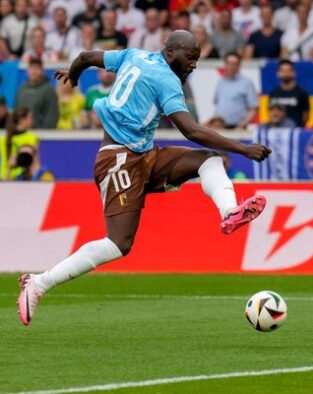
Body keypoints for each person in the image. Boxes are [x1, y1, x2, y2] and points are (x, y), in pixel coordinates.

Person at [17, 30, 272, 326]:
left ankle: (230, 211)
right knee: (118, 243)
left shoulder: (133, 55)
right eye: (190, 58)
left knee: (208, 160)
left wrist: (73, 76)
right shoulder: (166, 80)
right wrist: (243, 148)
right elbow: (192, 131)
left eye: (197, 60)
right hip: (118, 160)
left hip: (143, 154)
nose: (193, 65)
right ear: (171, 51)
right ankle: (38, 283)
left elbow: (86, 57)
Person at [213, 52, 258, 129]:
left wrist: (241, 125)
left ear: (239, 66)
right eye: (229, 63)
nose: (232, 67)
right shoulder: (220, 82)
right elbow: (217, 105)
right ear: (225, 65)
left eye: (235, 64)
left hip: (238, 127)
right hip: (221, 127)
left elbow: (253, 109)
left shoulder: (247, 83)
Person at [15, 58, 58, 129]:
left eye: (37, 68)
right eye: (31, 68)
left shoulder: (49, 90)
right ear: (27, 71)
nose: (34, 71)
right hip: (20, 133)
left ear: (42, 71)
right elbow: (16, 112)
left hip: (40, 134)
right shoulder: (22, 89)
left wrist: (46, 133)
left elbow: (52, 116)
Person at [268, 59, 310, 128]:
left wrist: (299, 127)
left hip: (296, 130)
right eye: (283, 71)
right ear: (278, 73)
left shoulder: (302, 93)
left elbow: (305, 114)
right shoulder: (274, 93)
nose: (285, 74)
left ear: (294, 72)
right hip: (277, 131)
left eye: (288, 71)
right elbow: (271, 112)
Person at [0, 107, 39, 180]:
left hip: (25, 179)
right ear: (21, 120)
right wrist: (9, 168)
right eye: (30, 117)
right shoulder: (3, 141)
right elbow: (3, 166)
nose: (32, 120)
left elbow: (36, 164)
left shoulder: (32, 138)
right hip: (6, 180)